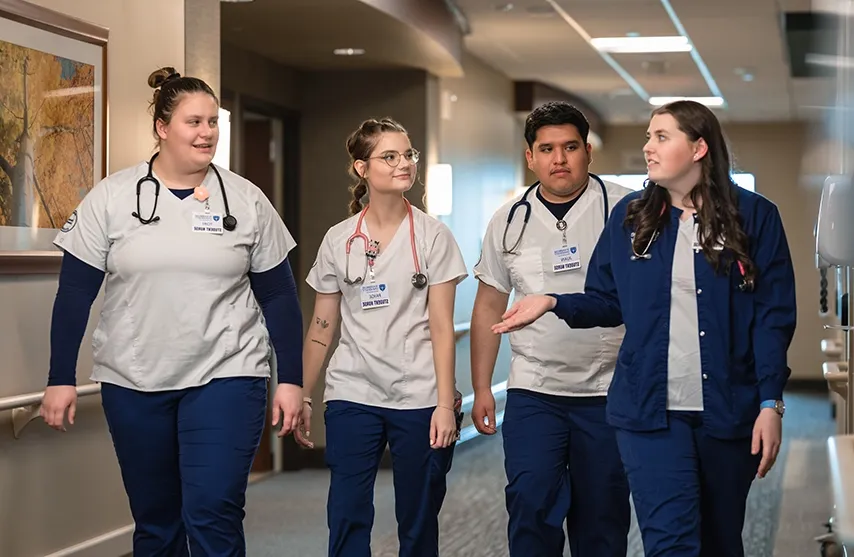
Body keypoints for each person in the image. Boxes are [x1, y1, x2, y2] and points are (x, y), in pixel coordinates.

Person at [491, 100, 796, 557]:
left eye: (660, 137)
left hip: (729, 411)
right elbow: (607, 300)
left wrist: (770, 402)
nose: (647, 147)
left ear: (698, 148)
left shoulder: (755, 217)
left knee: (721, 540)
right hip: (650, 414)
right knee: (669, 542)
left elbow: (772, 318)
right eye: (648, 137)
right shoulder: (633, 217)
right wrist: (553, 301)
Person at [40, 67, 305, 556]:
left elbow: (279, 297)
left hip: (227, 375)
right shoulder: (113, 198)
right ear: (162, 127)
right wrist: (60, 377)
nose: (206, 133)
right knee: (156, 521)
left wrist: (290, 378)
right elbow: (75, 293)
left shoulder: (246, 200)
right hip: (133, 379)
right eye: (193, 122)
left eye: (212, 122)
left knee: (213, 513)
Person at [295, 117, 467, 557]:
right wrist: (303, 393)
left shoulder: (433, 236)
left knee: (419, 515)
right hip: (354, 390)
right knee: (348, 512)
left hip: (420, 393)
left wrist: (445, 404)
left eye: (407, 154)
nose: (403, 163)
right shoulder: (339, 240)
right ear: (361, 168)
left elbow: (442, 327)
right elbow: (321, 326)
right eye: (388, 156)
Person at [470, 101, 632, 556]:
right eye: (547, 149)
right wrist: (482, 387)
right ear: (530, 157)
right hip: (534, 389)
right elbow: (488, 306)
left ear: (588, 152)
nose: (558, 159)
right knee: (529, 504)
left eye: (570, 147)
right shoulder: (508, 220)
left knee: (602, 517)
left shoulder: (627, 209)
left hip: (608, 390)